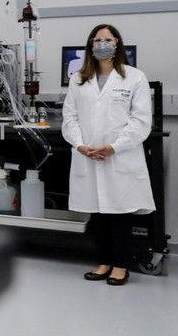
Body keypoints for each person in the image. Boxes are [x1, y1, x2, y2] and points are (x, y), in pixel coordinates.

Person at [62, 24, 154, 286]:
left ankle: (121, 265)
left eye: (108, 39)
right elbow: (70, 117)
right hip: (88, 154)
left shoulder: (134, 77)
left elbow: (141, 121)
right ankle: (103, 262)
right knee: (98, 213)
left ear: (117, 44)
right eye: (97, 40)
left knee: (120, 213)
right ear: (91, 45)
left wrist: (114, 147)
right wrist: (81, 145)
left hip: (119, 156)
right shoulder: (79, 79)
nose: (102, 44)